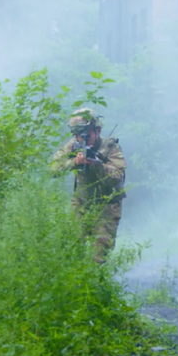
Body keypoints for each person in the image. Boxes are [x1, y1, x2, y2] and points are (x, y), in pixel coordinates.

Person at [50, 108, 127, 264]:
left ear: (97, 130)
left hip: (106, 206)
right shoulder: (73, 145)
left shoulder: (110, 147)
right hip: (82, 202)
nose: (82, 139)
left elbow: (118, 177)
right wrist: (74, 162)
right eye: (78, 136)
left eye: (87, 135)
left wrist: (97, 164)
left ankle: (95, 285)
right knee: (72, 249)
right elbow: (52, 168)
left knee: (98, 256)